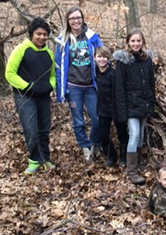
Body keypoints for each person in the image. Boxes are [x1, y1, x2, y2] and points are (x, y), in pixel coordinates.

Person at [5, 17, 56, 175]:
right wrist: (28, 87)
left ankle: (45, 159)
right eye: (38, 34)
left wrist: (50, 86)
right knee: (31, 129)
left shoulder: (49, 53)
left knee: (44, 130)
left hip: (44, 97)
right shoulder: (21, 49)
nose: (41, 37)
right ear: (31, 34)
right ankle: (34, 160)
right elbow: (10, 73)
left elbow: (53, 74)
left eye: (44, 34)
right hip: (25, 97)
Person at [55, 6, 104, 163]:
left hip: (91, 86)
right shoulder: (63, 41)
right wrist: (61, 92)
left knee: (97, 119)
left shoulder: (92, 37)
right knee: (78, 121)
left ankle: (95, 143)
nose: (76, 21)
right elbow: (59, 67)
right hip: (73, 87)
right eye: (72, 19)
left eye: (78, 18)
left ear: (82, 19)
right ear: (68, 21)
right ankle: (85, 147)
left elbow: (103, 56)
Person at [113, 28, 156, 185]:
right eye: (133, 41)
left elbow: (151, 83)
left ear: (142, 42)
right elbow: (120, 88)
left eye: (138, 41)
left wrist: (151, 103)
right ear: (128, 42)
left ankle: (137, 162)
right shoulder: (123, 62)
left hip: (144, 104)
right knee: (135, 134)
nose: (136, 44)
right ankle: (131, 170)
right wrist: (122, 111)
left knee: (141, 134)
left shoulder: (147, 60)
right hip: (131, 105)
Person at [94, 46, 129, 167]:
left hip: (115, 108)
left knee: (122, 134)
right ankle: (111, 157)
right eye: (99, 57)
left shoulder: (113, 74)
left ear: (108, 58)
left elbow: (119, 93)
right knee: (103, 134)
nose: (102, 59)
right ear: (94, 58)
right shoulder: (95, 71)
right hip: (103, 109)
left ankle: (124, 158)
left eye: (104, 57)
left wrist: (121, 110)